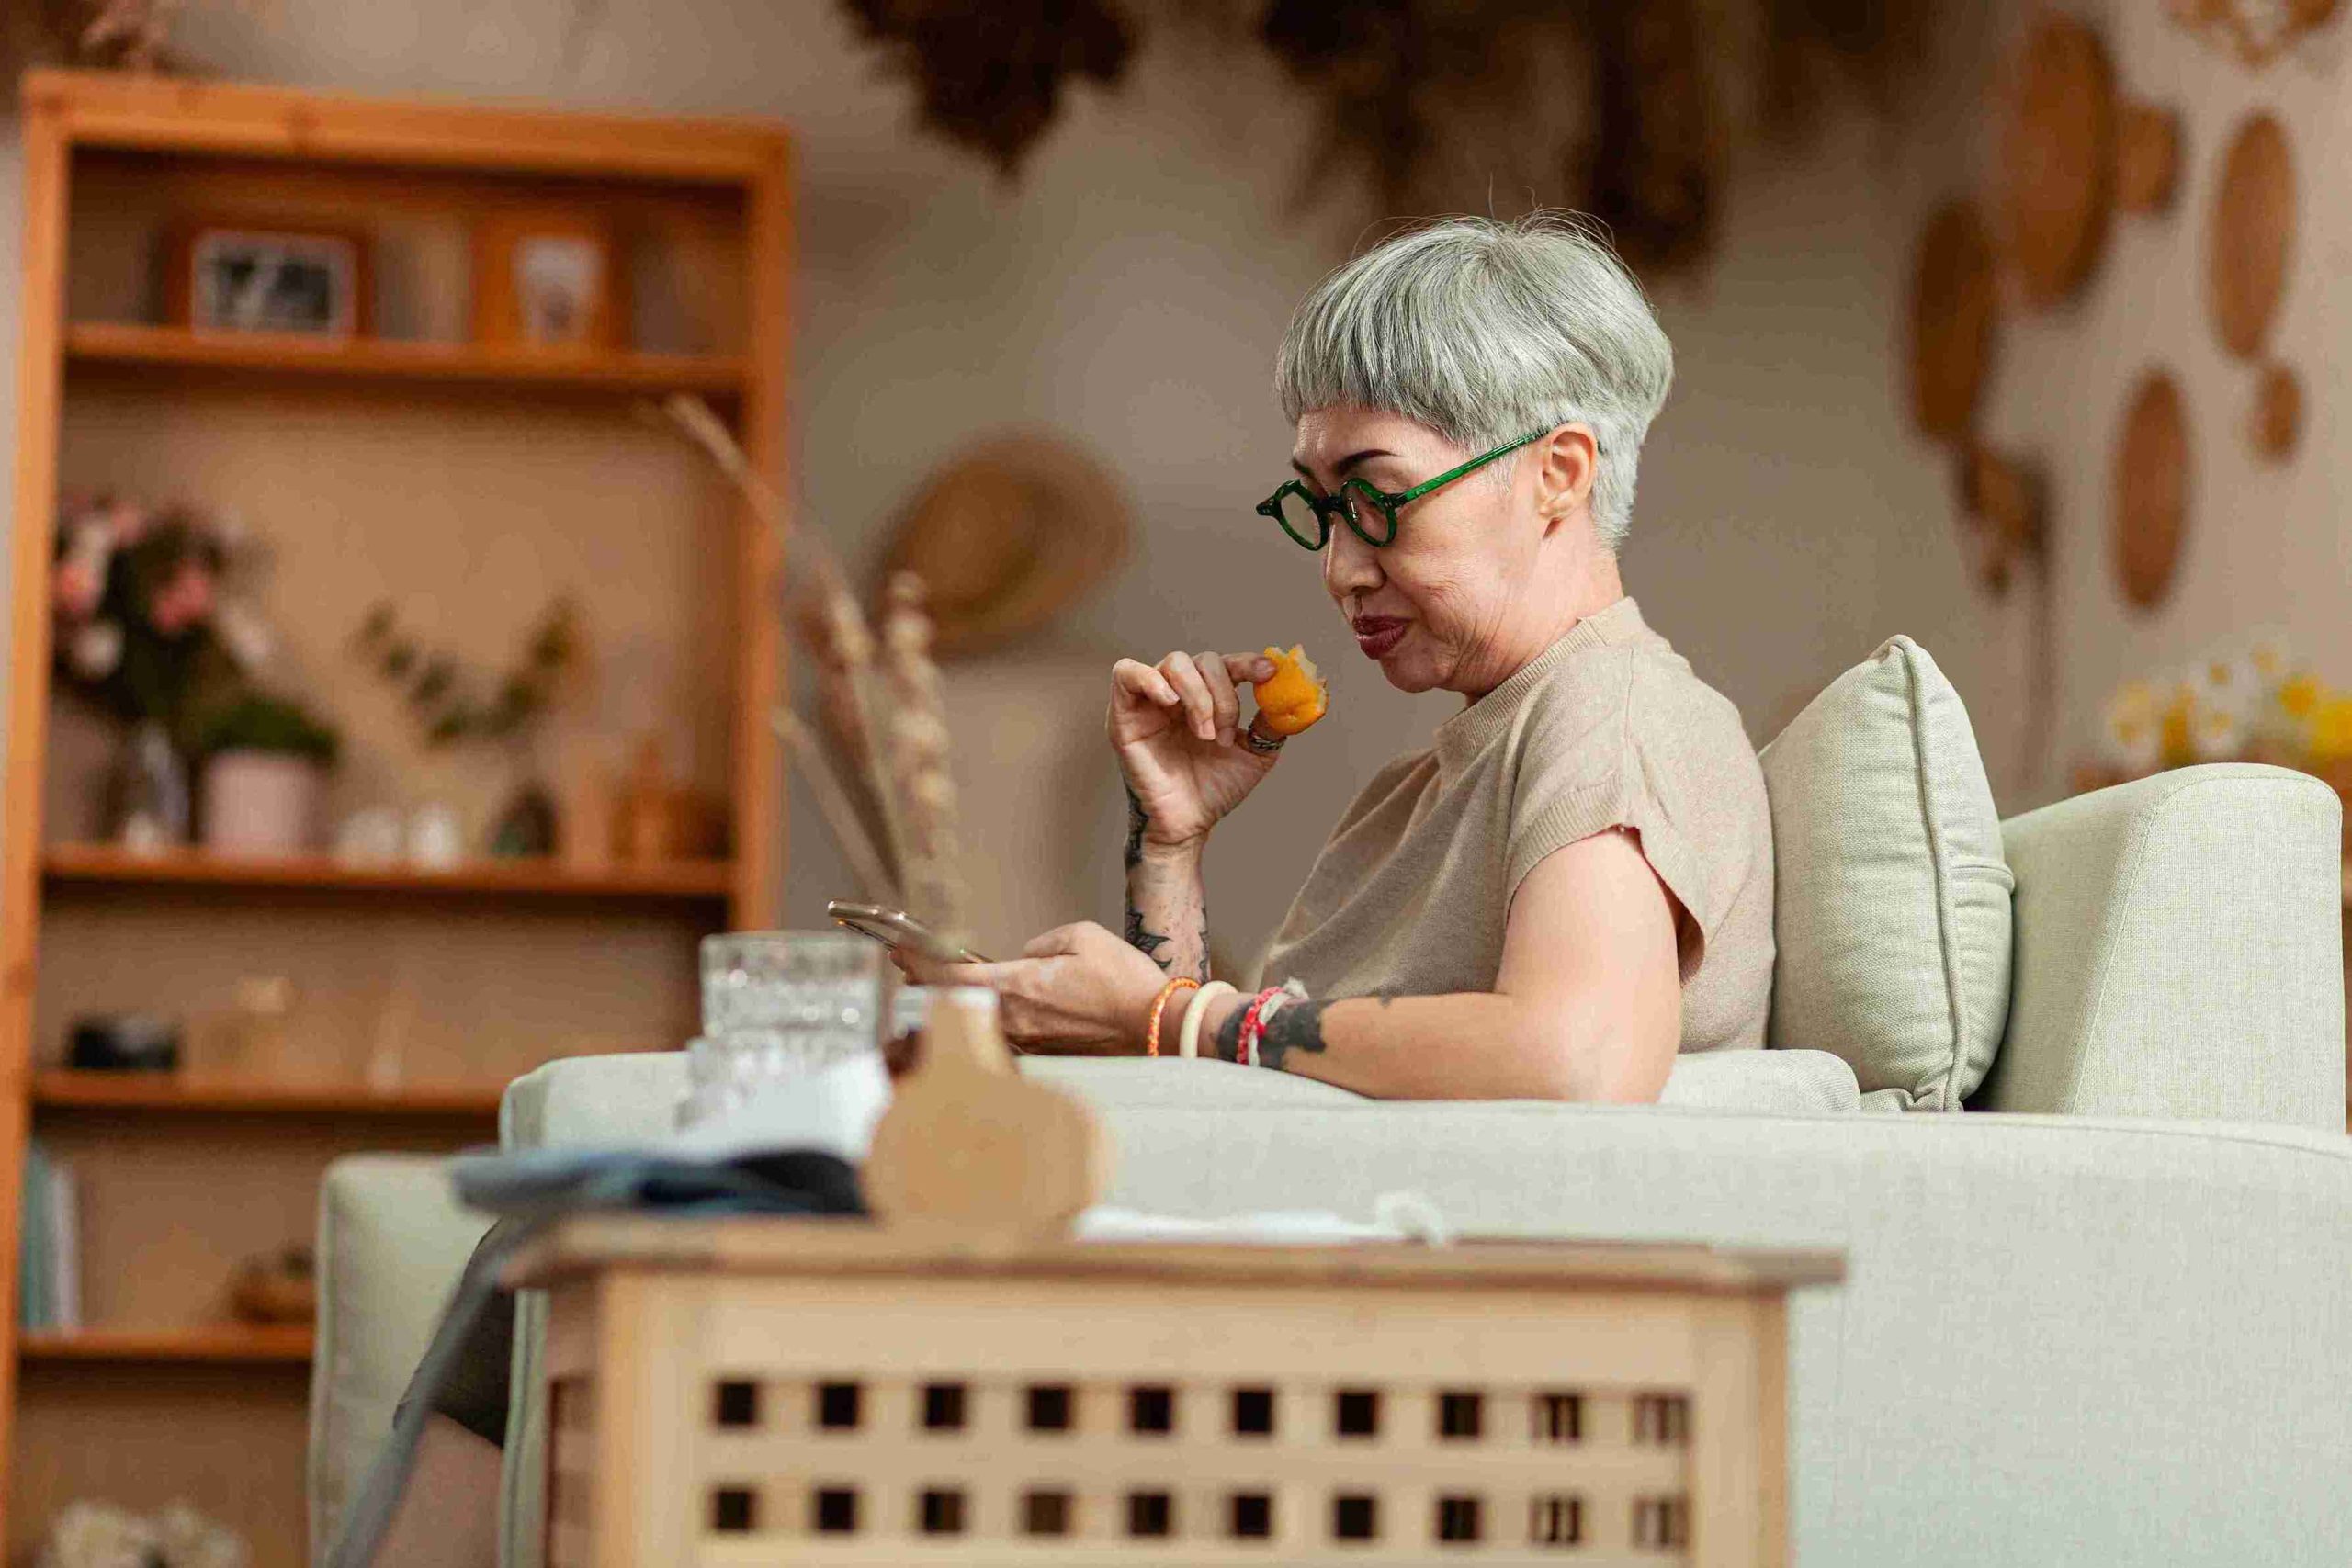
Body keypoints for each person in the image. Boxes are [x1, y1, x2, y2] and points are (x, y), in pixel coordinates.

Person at [908, 213, 1772, 1101]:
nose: (1340, 571)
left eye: (1378, 497)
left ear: (1557, 473)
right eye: (1323, 509)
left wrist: (1174, 1013)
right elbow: (1232, 1099)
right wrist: (1170, 850)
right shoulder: (1426, 785)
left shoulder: (1611, 717)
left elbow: (1575, 1058)